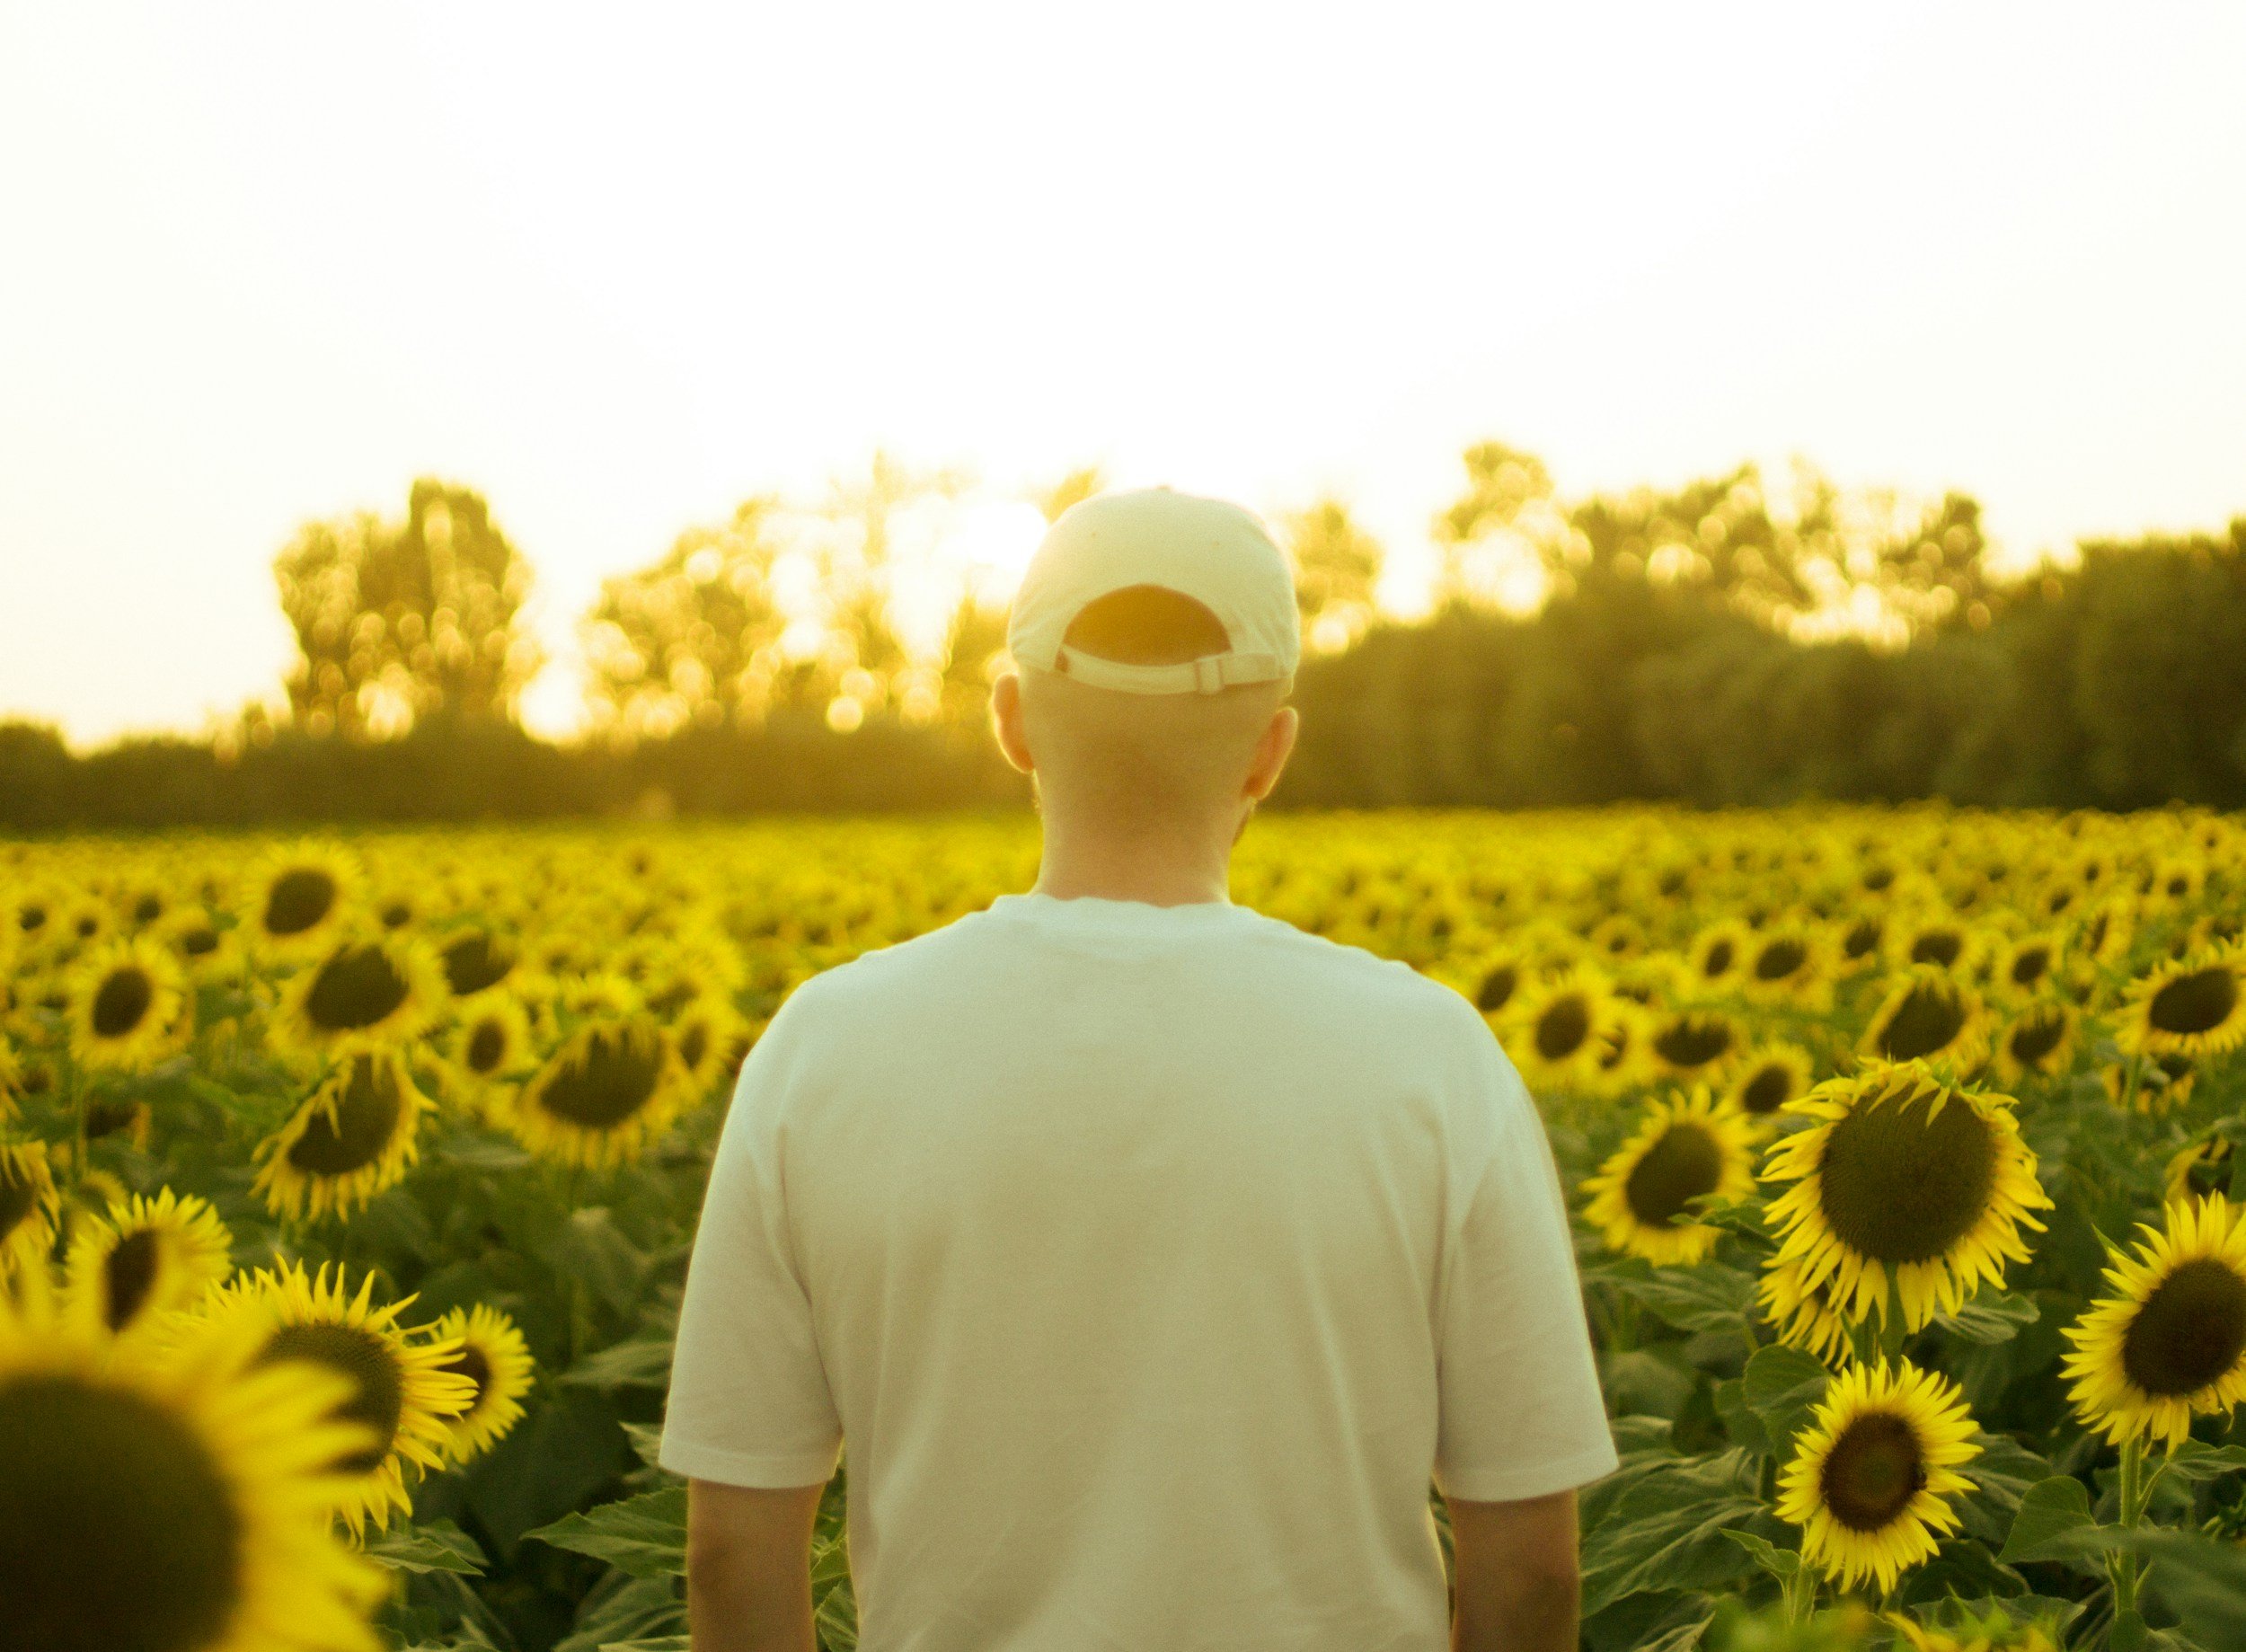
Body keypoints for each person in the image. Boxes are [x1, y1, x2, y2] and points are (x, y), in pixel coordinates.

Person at [659, 487, 1618, 1652]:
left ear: (1011, 722)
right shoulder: (1432, 1057)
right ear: (1273, 752)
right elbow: (1529, 1571)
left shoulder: (824, 1047)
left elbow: (729, 1554)